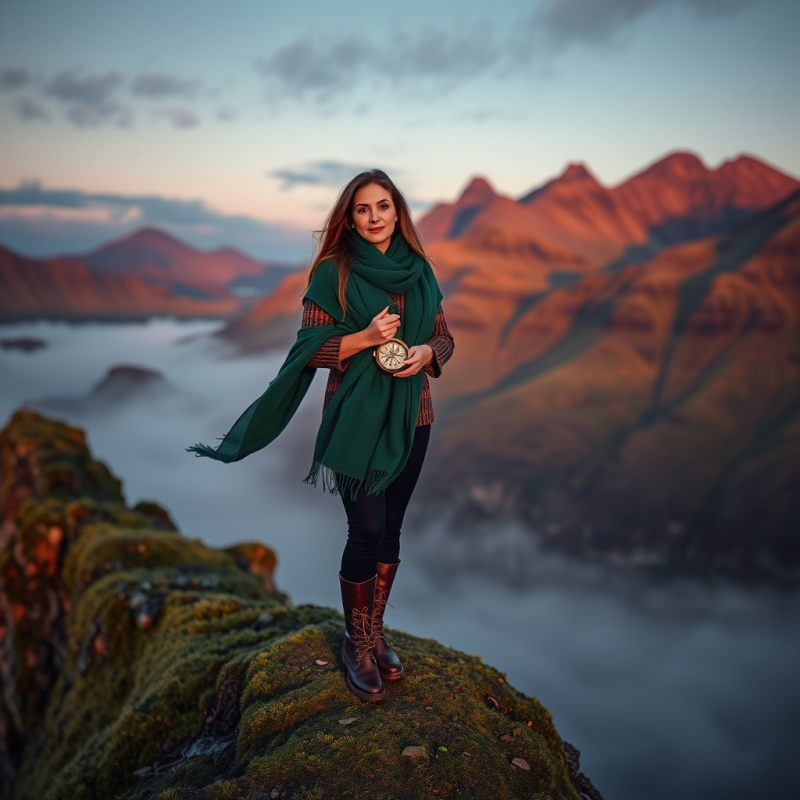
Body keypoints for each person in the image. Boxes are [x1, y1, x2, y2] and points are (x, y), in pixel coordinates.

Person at [188, 169, 454, 703]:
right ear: (349, 217)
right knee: (365, 530)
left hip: (414, 415)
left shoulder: (419, 271)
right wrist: (363, 338)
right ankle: (356, 644)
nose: (375, 218)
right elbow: (307, 349)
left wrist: (427, 354)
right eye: (363, 209)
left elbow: (443, 338)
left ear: (398, 212)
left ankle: (374, 635)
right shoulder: (333, 271)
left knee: (393, 529)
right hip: (354, 419)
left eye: (384, 207)